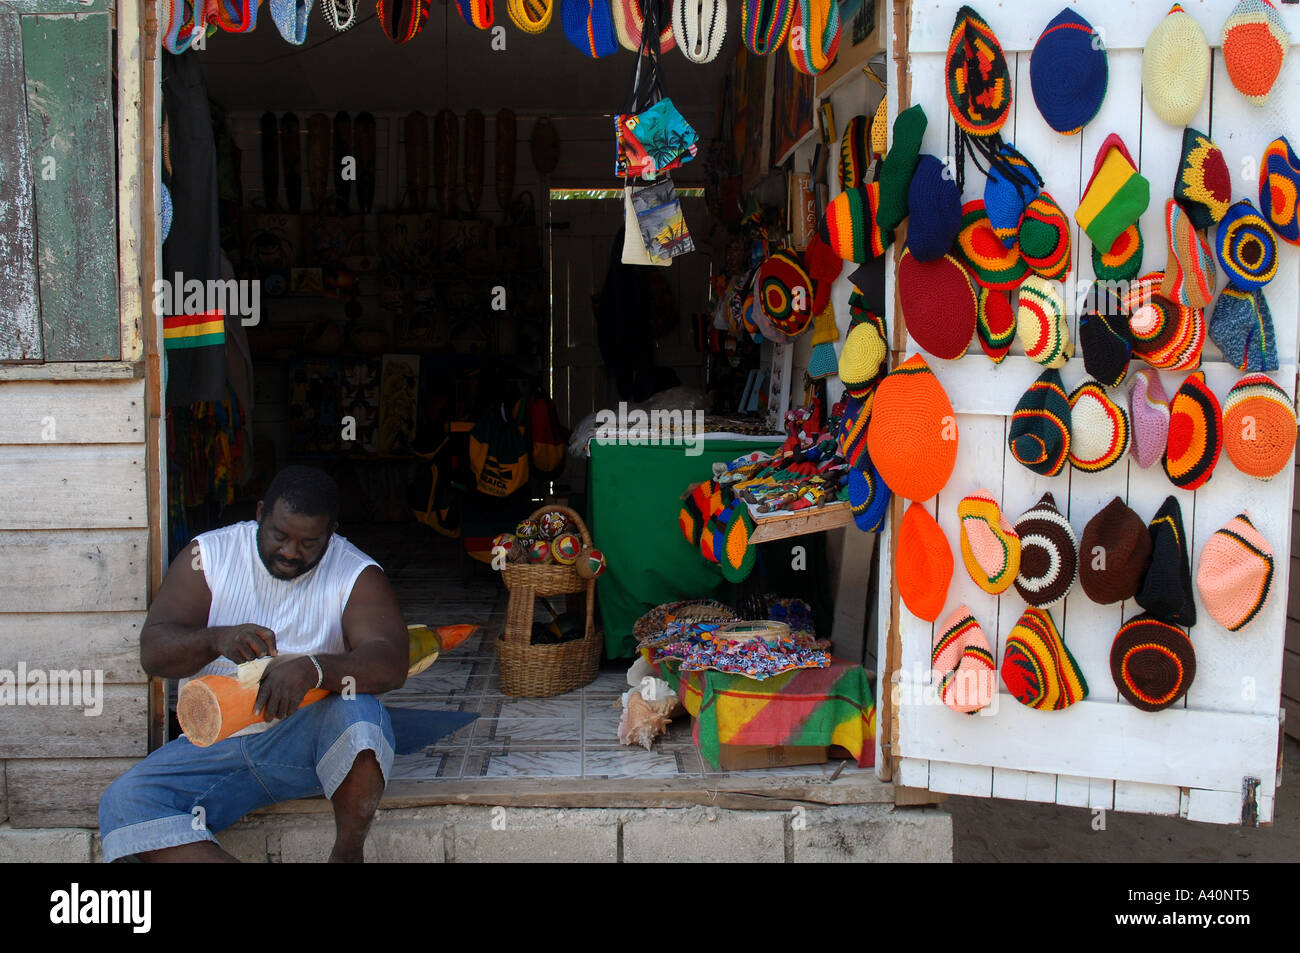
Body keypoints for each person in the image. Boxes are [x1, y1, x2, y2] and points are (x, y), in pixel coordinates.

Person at [99, 466, 408, 862]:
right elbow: (153, 653)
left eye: (309, 543)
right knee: (125, 803)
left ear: (331, 532)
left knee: (362, 716)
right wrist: (215, 638)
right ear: (261, 513)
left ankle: (347, 854)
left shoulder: (356, 572)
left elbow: (391, 662)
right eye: (279, 535)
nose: (291, 551)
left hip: (305, 747)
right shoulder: (208, 556)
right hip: (212, 745)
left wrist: (314, 668)